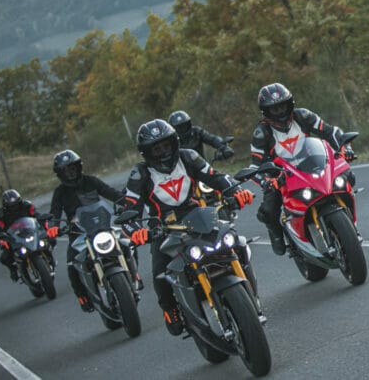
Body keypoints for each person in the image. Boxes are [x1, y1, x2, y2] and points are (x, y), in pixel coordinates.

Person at [119, 119, 256, 336]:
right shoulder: (140, 173)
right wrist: (136, 230)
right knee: (159, 272)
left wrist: (235, 192)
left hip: (199, 216)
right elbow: (130, 208)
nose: (163, 152)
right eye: (156, 148)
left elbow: (216, 177)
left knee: (236, 243)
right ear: (146, 152)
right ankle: (170, 309)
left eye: (166, 145)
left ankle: (250, 293)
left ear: (175, 142)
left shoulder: (188, 156)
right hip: (163, 228)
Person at [249, 82, 356, 256]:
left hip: (312, 161)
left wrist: (345, 148)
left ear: (290, 103)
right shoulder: (262, 132)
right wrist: (266, 180)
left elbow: (331, 132)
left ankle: (346, 215)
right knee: (269, 207)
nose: (280, 112)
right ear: (266, 111)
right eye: (274, 109)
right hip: (281, 174)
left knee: (347, 175)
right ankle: (275, 232)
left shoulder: (303, 115)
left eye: (283, 106)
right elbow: (255, 165)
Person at [48, 149, 132, 313]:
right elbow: (54, 213)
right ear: (60, 173)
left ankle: (134, 276)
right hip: (78, 233)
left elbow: (110, 192)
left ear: (79, 167)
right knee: (72, 265)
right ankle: (83, 296)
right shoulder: (60, 192)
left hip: (102, 226)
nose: (70, 172)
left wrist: (127, 202)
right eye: (66, 170)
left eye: (72, 168)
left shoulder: (91, 181)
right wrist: (52, 226)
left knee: (127, 244)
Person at [0, 189, 49, 281]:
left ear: (20, 201)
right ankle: (13, 270)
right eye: (11, 206)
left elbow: (36, 214)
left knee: (50, 239)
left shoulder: (27, 205)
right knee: (5, 257)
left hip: (30, 231)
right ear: (5, 206)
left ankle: (49, 255)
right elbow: (0, 229)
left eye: (16, 204)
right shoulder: (1, 215)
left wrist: (42, 219)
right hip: (15, 237)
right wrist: (1, 236)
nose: (14, 208)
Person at [167, 110, 235, 161]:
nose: (182, 129)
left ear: (189, 124)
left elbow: (212, 139)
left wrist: (224, 147)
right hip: (182, 173)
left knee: (219, 178)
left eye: (184, 126)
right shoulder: (171, 141)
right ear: (173, 129)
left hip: (203, 168)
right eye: (179, 128)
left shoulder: (197, 132)